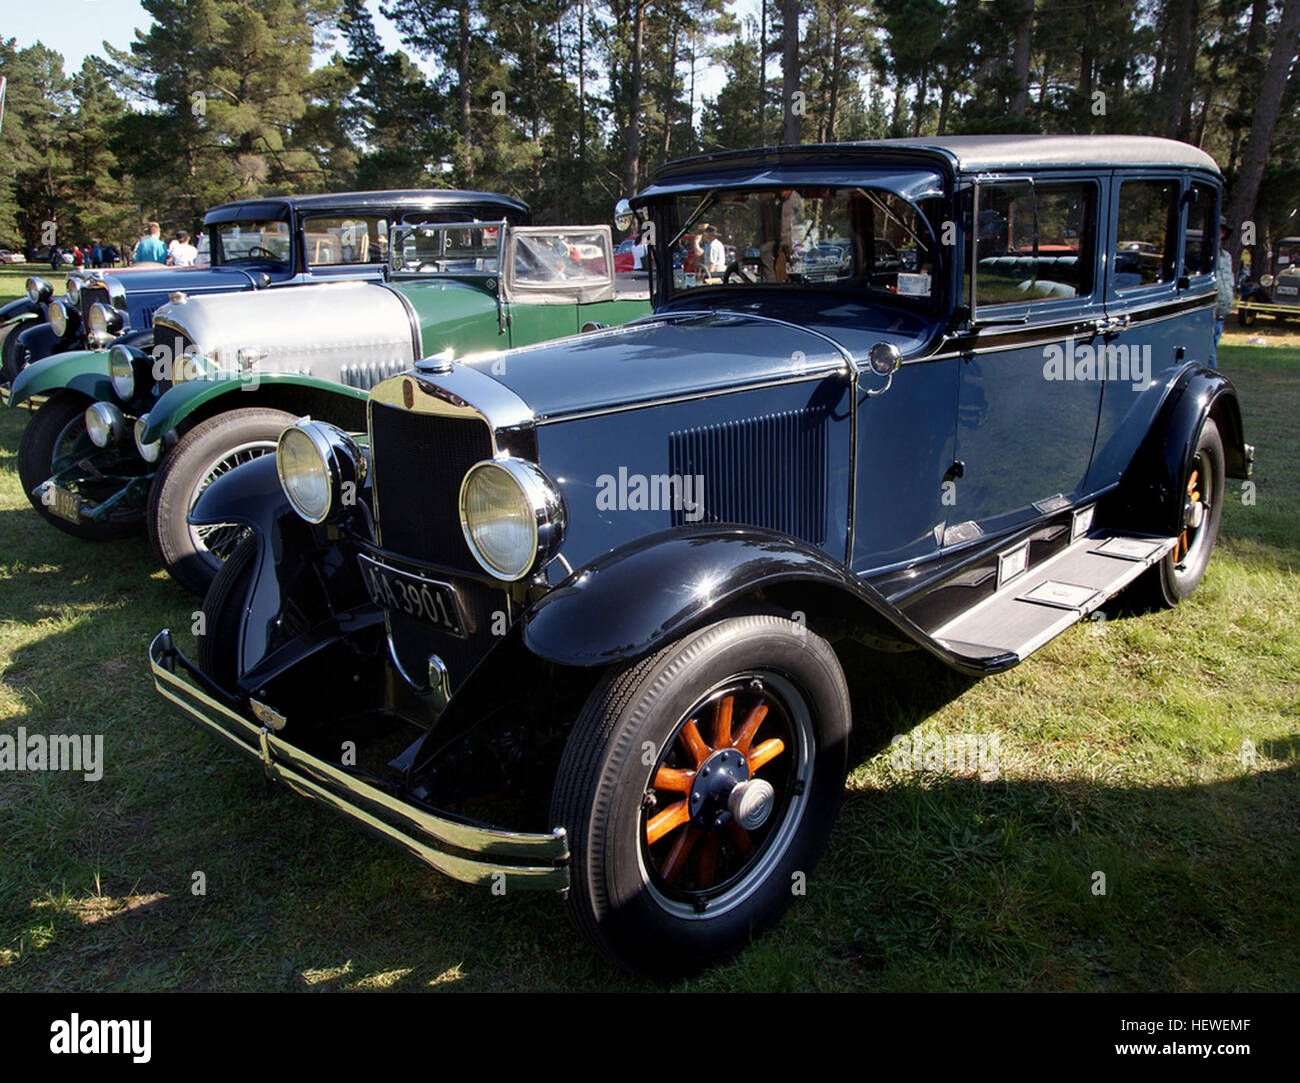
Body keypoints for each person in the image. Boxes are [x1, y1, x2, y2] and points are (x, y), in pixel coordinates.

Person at [1212, 219, 1233, 369]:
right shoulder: (1206, 255)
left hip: (1221, 313)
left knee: (1212, 348)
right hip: (1209, 313)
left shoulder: (1226, 256)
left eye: (1221, 230)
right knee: (1209, 355)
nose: (1218, 233)